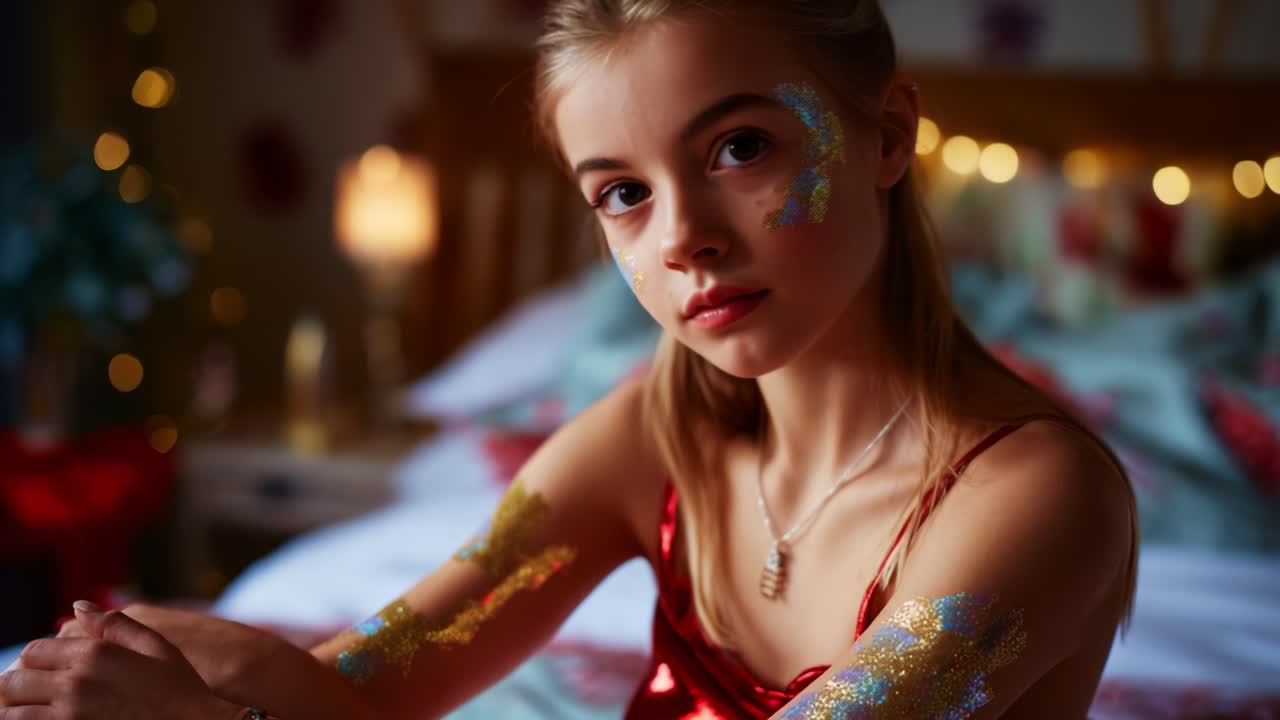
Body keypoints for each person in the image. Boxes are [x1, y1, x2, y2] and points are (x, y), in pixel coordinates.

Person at [0, 1, 1138, 718]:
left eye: (739, 146)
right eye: (624, 193)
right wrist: (205, 661)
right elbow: (371, 688)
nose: (681, 237)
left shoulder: (1034, 494)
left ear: (886, 133)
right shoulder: (653, 435)